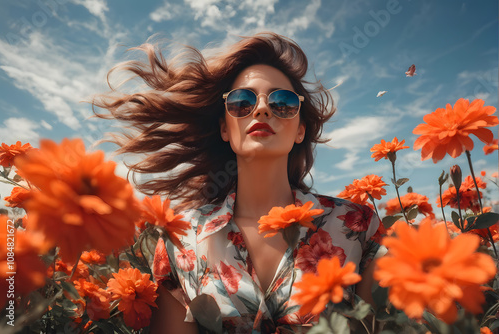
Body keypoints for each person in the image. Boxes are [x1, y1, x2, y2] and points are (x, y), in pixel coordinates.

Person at [93, 32, 381, 333]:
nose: (262, 109)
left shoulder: (358, 227)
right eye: (241, 102)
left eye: (282, 102)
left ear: (300, 130)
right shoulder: (181, 241)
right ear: (225, 129)